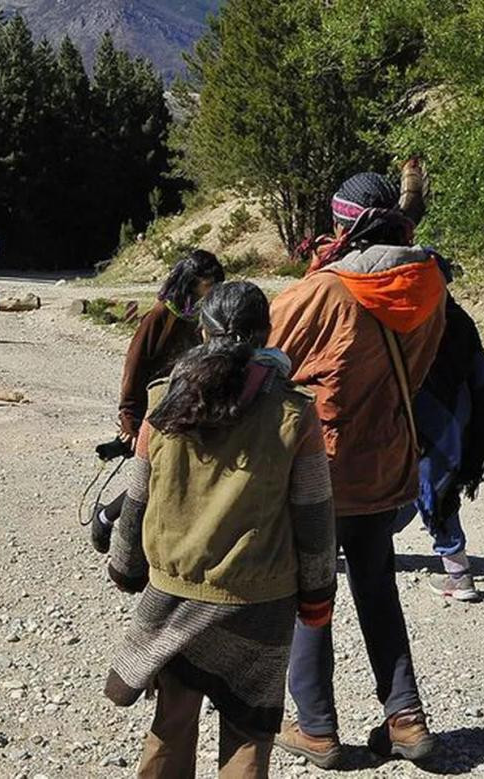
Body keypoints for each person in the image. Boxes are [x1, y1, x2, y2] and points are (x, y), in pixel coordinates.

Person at [105, 281, 337, 779]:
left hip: (174, 598)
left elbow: (139, 498)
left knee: (171, 721)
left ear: (203, 332)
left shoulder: (164, 403)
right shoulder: (295, 413)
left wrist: (126, 569)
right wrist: (317, 599)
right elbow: (314, 516)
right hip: (262, 605)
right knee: (249, 735)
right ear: (265, 335)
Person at [270, 169, 448, 767]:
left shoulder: (323, 290)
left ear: (345, 223)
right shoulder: (429, 285)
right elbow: (417, 378)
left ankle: (316, 726)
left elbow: (263, 360)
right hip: (388, 460)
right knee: (377, 587)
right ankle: (405, 719)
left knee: (311, 592)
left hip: (322, 466)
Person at [91, 250, 226, 554]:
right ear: (193, 281)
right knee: (156, 478)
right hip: (158, 410)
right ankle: (108, 520)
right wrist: (129, 418)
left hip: (193, 407)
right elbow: (133, 370)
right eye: (209, 281)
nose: (214, 286)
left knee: (180, 477)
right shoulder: (159, 317)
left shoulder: (206, 316)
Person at [394, 276, 484, 602]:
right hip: (459, 414)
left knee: (429, 489)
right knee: (428, 487)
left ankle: (459, 575)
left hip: (426, 419)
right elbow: (479, 372)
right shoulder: (454, 316)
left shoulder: (404, 321)